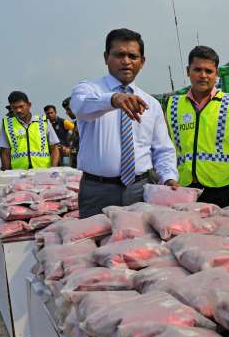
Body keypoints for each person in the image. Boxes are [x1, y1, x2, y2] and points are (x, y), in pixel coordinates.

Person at [70, 28, 178, 218]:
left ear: (142, 62)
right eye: (119, 54)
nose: (126, 61)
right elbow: (80, 107)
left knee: (141, 246)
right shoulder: (88, 90)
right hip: (97, 191)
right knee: (95, 245)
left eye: (132, 56)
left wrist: (169, 178)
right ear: (106, 57)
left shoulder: (151, 104)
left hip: (140, 190)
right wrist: (112, 100)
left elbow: (162, 149)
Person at [165, 45, 229, 207]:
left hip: (223, 190)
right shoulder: (173, 105)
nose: (203, 75)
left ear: (216, 74)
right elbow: (166, 148)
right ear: (187, 71)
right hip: (184, 188)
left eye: (209, 71)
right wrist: (167, 177)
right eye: (197, 70)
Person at [0, 91, 61, 170]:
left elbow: (54, 148)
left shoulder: (43, 122)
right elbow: (5, 152)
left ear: (29, 105)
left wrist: (53, 169)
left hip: (43, 171)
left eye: (21, 106)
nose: (18, 110)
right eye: (14, 107)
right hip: (18, 173)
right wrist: (6, 173)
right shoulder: (7, 125)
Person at [62, 97, 79, 168]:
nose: (67, 113)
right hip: (75, 165)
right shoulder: (76, 124)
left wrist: (71, 150)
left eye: (68, 109)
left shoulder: (87, 124)